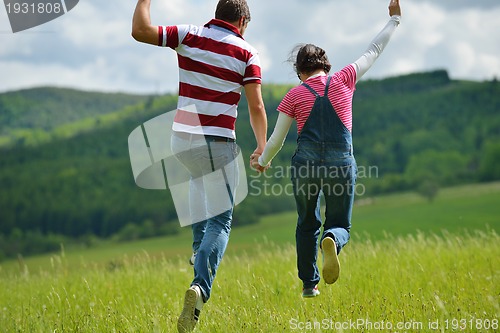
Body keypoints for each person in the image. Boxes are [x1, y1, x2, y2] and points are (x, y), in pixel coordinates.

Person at [132, 0, 267, 332]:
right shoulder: (248, 54)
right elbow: (256, 105)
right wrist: (262, 145)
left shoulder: (189, 34)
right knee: (221, 222)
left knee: (196, 180)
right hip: (218, 143)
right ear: (243, 20)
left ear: (217, 14)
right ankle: (200, 286)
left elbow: (140, 31)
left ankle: (196, 251)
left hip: (182, 141)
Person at [251, 0, 402, 297]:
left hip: (305, 166)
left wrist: (262, 160)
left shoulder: (294, 95)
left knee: (306, 222)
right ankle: (332, 238)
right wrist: (394, 20)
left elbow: (278, 140)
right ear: (326, 65)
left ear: (299, 72)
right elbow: (374, 50)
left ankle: (310, 284)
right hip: (341, 164)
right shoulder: (345, 79)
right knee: (340, 222)